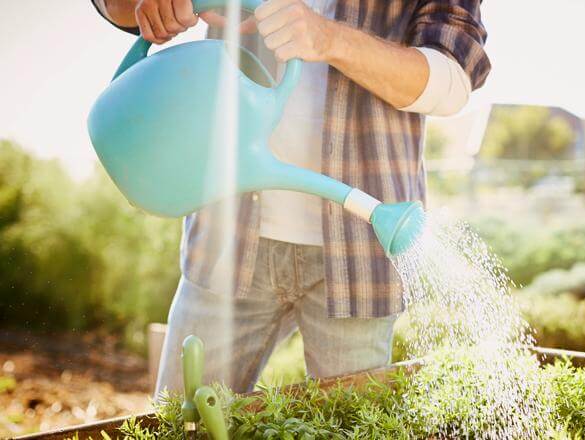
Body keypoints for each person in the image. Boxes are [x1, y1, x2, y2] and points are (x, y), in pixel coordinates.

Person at [92, 0, 490, 395]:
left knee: (350, 426)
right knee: (180, 425)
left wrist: (329, 38)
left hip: (359, 256)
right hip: (225, 238)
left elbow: (452, 82)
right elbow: (117, 7)